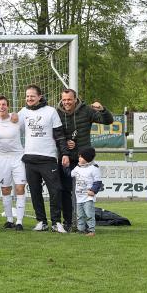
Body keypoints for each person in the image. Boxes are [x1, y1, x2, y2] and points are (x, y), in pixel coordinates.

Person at [57, 89, 114, 231]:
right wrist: (66, 143)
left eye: (69, 99)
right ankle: (69, 222)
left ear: (75, 99)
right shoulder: (57, 113)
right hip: (66, 158)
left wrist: (102, 109)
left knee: (85, 192)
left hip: (84, 161)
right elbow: (55, 134)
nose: (66, 102)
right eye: (64, 99)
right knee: (65, 191)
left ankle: (86, 225)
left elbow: (108, 121)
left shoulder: (86, 111)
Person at [18, 85, 68, 233]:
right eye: (27, 96)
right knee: (35, 191)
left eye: (32, 96)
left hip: (48, 158)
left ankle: (56, 222)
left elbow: (59, 135)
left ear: (40, 96)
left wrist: (64, 153)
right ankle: (41, 221)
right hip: (30, 159)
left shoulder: (51, 111)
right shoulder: (23, 112)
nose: (29, 98)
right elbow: (10, 122)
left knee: (56, 190)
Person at [0, 96, 27, 230]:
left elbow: (27, 112)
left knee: (20, 188)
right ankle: (9, 220)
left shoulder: (16, 119)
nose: (1, 107)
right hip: (2, 159)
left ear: (8, 106)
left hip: (18, 158)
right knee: (5, 189)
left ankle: (19, 221)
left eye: (4, 104)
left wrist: (15, 115)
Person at [71, 147, 103, 236]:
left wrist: (93, 191)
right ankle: (80, 230)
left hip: (88, 197)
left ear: (87, 158)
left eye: (81, 157)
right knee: (79, 215)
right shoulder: (77, 168)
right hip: (79, 197)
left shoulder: (94, 168)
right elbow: (70, 174)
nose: (79, 158)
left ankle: (91, 230)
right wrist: (65, 167)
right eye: (79, 157)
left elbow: (98, 182)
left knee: (89, 214)